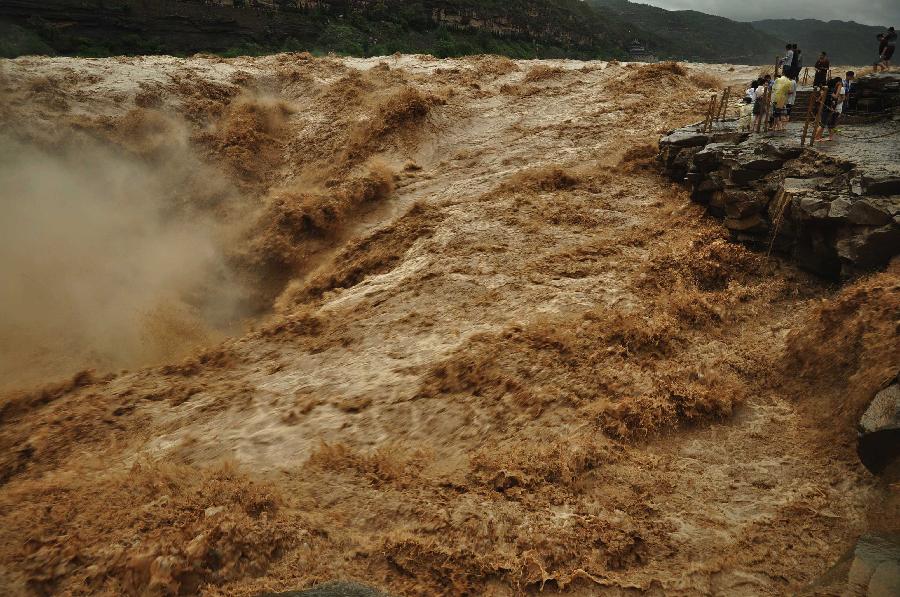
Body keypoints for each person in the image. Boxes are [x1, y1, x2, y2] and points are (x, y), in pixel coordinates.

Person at [814, 77, 844, 142]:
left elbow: (822, 96)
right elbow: (836, 96)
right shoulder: (832, 89)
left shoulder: (828, 88)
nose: (840, 84)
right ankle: (816, 137)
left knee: (828, 123)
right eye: (840, 83)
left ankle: (820, 137)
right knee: (823, 123)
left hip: (827, 106)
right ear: (838, 82)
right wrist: (837, 89)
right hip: (828, 107)